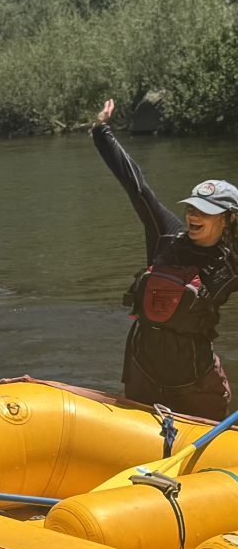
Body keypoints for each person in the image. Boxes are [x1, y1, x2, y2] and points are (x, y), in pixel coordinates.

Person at [93, 98, 238, 418]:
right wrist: (102, 130)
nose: (193, 215)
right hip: (143, 372)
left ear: (227, 219)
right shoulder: (166, 235)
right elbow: (136, 186)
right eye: (192, 207)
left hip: (194, 381)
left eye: (206, 211)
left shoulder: (232, 260)